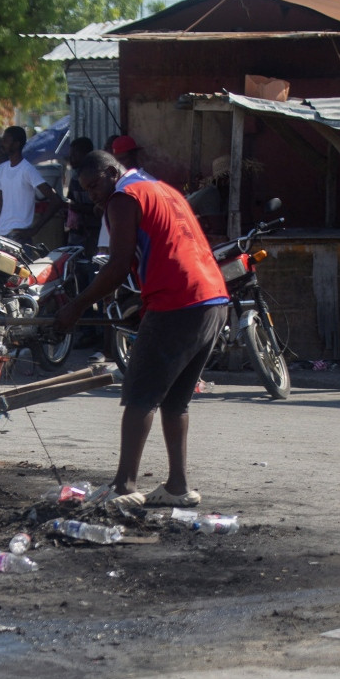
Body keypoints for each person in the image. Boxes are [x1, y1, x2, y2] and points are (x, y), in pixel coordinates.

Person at [54, 150, 229, 510]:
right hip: (213, 297)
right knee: (175, 401)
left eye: (94, 186)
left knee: (139, 394)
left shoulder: (123, 197)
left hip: (178, 301)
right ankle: (177, 486)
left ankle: (123, 485)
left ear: (110, 172)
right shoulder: (159, 188)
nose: (93, 196)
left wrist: (76, 305)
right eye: (86, 191)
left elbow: (117, 266)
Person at [0, 126, 64, 243]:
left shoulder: (27, 170)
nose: (2, 144)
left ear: (17, 144)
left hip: (18, 237)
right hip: (0, 235)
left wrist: (34, 230)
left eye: (6, 140)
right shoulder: (2, 169)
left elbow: (56, 200)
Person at [64, 137, 99, 252]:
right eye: (70, 154)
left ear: (86, 155)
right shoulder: (74, 178)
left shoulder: (97, 178)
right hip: (76, 236)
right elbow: (71, 200)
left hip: (94, 236)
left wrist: (76, 207)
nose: (71, 158)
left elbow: (99, 209)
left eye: (75, 154)